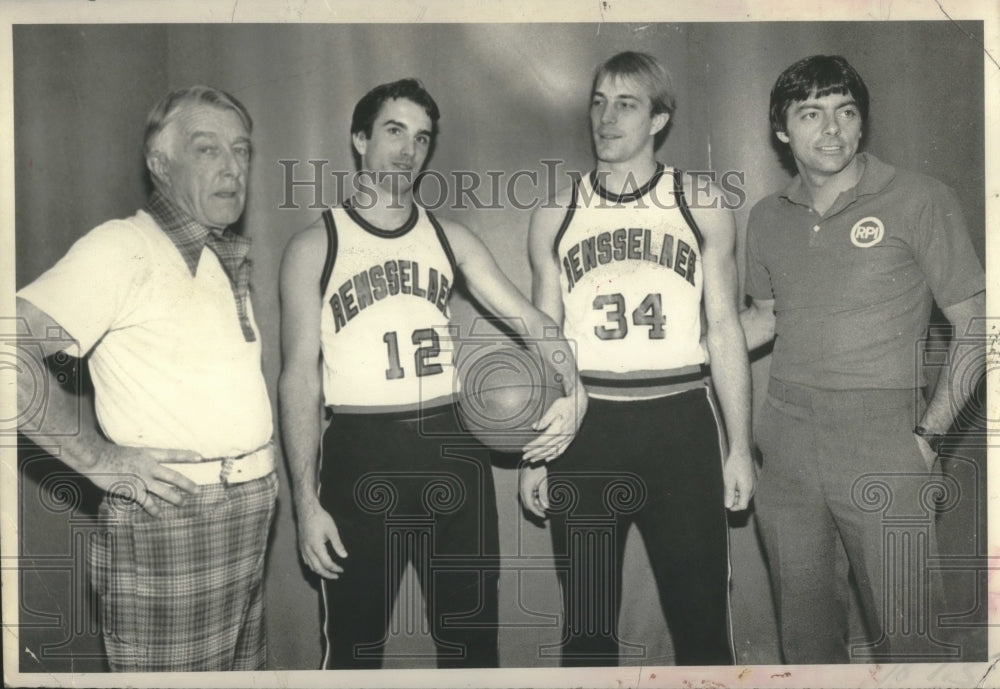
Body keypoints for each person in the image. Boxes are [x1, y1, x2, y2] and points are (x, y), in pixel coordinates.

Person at [279, 78, 588, 669]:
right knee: (352, 648)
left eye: (421, 138)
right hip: (360, 454)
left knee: (473, 647)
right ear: (359, 138)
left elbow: (531, 319)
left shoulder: (450, 237)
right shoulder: (315, 245)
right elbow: (298, 378)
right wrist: (304, 501)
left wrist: (576, 395)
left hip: (453, 452)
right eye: (394, 131)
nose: (408, 150)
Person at [16, 86, 278, 671]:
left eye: (241, 150)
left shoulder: (215, 255)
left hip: (247, 510)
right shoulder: (122, 247)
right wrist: (98, 461)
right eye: (207, 149)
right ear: (160, 165)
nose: (232, 167)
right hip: (174, 520)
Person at [741, 55, 985, 663]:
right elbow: (764, 318)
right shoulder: (768, 218)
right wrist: (660, 350)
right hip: (788, 440)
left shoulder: (920, 199)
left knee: (910, 634)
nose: (832, 129)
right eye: (812, 114)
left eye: (846, 112)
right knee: (805, 636)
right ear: (782, 130)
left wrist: (928, 436)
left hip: (883, 438)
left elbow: (978, 329)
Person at [519, 51, 755, 666]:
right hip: (585, 426)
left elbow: (725, 329)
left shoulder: (698, 201)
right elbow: (549, 339)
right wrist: (537, 451)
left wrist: (736, 446)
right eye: (598, 101)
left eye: (626, 103)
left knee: (702, 620)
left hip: (680, 420)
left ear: (659, 119)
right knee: (588, 627)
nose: (606, 116)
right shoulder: (556, 211)